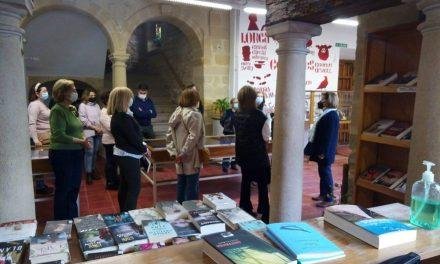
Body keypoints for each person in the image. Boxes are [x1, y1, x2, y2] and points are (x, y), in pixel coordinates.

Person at [49, 79, 91, 220]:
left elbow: (77, 128)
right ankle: (61, 222)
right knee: (64, 189)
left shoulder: (71, 109)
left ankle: (72, 219)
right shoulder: (57, 110)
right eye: (72, 90)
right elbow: (58, 135)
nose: (75, 92)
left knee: (74, 188)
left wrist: (82, 138)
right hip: (63, 154)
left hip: (76, 152)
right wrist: (81, 141)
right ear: (63, 92)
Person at [234, 86, 271, 223]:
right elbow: (266, 137)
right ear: (254, 98)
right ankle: (264, 211)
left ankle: (245, 207)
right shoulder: (260, 115)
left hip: (243, 154)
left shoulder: (237, 114)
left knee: (245, 182)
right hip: (258, 155)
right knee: (262, 184)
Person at [109, 87, 148, 212]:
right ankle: (129, 216)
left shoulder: (120, 116)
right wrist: (144, 148)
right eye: (130, 96)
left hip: (124, 154)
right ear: (123, 99)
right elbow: (133, 138)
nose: (132, 99)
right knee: (133, 188)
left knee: (125, 186)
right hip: (128, 156)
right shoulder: (123, 118)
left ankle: (124, 213)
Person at [166, 88, 205, 203]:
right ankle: (191, 213)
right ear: (195, 99)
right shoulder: (194, 114)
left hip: (179, 155)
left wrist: (174, 152)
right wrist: (183, 153)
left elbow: (169, 135)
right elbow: (193, 137)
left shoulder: (176, 113)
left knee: (181, 185)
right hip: (191, 155)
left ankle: (181, 210)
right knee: (192, 187)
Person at [304, 92, 340, 207]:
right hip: (322, 149)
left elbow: (328, 136)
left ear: (330, 100)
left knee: (326, 173)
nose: (321, 101)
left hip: (325, 150)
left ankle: (329, 199)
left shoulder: (332, 115)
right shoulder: (326, 113)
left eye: (324, 99)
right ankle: (323, 194)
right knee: (322, 171)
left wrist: (323, 152)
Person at [28, 82, 53, 195]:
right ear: (37, 93)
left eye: (46, 91)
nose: (46, 93)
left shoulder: (42, 104)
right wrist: (35, 139)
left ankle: (41, 185)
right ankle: (39, 187)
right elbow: (32, 123)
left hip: (48, 136)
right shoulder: (34, 105)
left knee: (44, 164)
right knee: (39, 165)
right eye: (44, 91)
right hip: (41, 137)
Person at [78, 89, 102, 185]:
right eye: (90, 95)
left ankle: (92, 169)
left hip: (98, 131)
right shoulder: (82, 105)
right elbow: (83, 120)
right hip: (88, 130)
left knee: (96, 151)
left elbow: (100, 118)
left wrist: (99, 127)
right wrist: (94, 127)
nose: (93, 97)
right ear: (86, 96)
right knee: (89, 152)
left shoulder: (97, 105)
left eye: (94, 95)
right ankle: (88, 173)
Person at [100, 90, 119, 190]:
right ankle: (110, 182)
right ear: (106, 100)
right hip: (109, 141)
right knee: (110, 163)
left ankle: (115, 179)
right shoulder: (103, 112)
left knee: (114, 163)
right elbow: (111, 127)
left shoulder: (113, 110)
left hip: (115, 140)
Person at [220, 98, 238, 172]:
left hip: (236, 134)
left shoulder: (239, 112)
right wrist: (226, 127)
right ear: (231, 104)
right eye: (234, 102)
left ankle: (233, 164)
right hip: (227, 133)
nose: (236, 104)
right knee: (226, 150)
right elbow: (221, 121)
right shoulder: (227, 112)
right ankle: (225, 166)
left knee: (235, 150)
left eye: (237, 102)